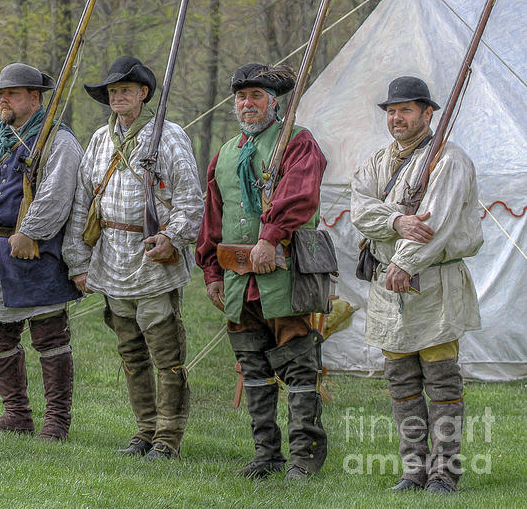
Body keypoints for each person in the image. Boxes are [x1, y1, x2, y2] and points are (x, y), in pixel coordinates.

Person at [63, 56, 203, 460]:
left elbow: (190, 200)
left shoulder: (170, 136)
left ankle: (167, 438)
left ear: (143, 94)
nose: (117, 97)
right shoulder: (98, 140)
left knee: (166, 353)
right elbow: (82, 202)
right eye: (112, 92)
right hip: (111, 258)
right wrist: (78, 260)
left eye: (125, 90)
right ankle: (144, 430)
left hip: (152, 258)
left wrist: (172, 239)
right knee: (131, 352)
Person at [195, 62, 328, 480]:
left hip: (283, 272)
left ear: (274, 102)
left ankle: (304, 458)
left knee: (299, 366)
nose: (246, 104)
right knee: (252, 367)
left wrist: (270, 237)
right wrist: (212, 272)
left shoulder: (297, 143)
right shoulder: (227, 153)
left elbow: (300, 196)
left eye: (255, 96)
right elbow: (212, 218)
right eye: (241, 97)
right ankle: (266, 454)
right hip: (238, 278)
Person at [350, 76, 482, 494]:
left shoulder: (449, 160)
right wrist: (395, 220)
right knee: (401, 381)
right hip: (389, 285)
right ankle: (413, 470)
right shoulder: (376, 162)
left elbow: (436, 223)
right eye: (392, 111)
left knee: (442, 381)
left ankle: (444, 473)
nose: (397, 118)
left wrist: (405, 260)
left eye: (406, 110)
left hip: (434, 282)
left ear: (428, 114)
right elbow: (360, 209)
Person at [0, 63, 83, 440]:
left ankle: (56, 422)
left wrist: (30, 232)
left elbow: (58, 194)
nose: (2, 100)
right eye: (1, 95)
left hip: (36, 253)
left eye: (11, 93)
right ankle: (16, 414)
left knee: (50, 339)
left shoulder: (58, 140)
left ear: (35, 98)